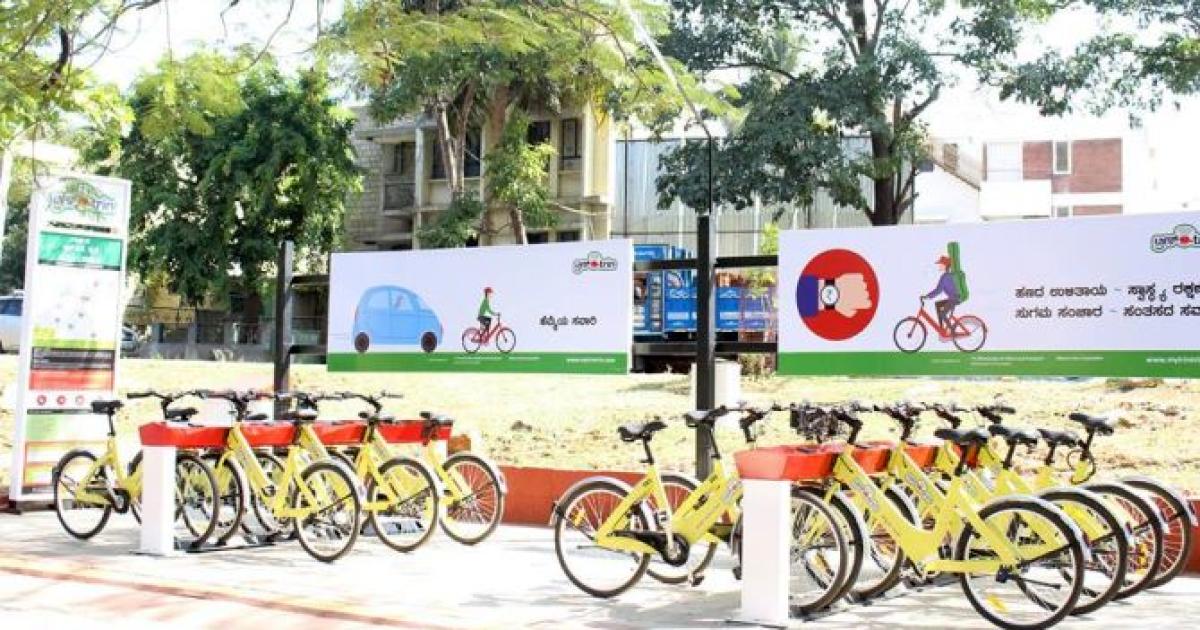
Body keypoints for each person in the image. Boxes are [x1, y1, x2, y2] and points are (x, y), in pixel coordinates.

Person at [923, 255, 960, 332]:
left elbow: (938, 290)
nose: (939, 266)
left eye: (941, 264)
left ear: (946, 266)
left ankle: (952, 330)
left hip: (954, 299)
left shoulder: (945, 276)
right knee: (938, 305)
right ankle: (942, 329)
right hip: (955, 297)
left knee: (942, 314)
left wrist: (927, 296)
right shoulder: (950, 275)